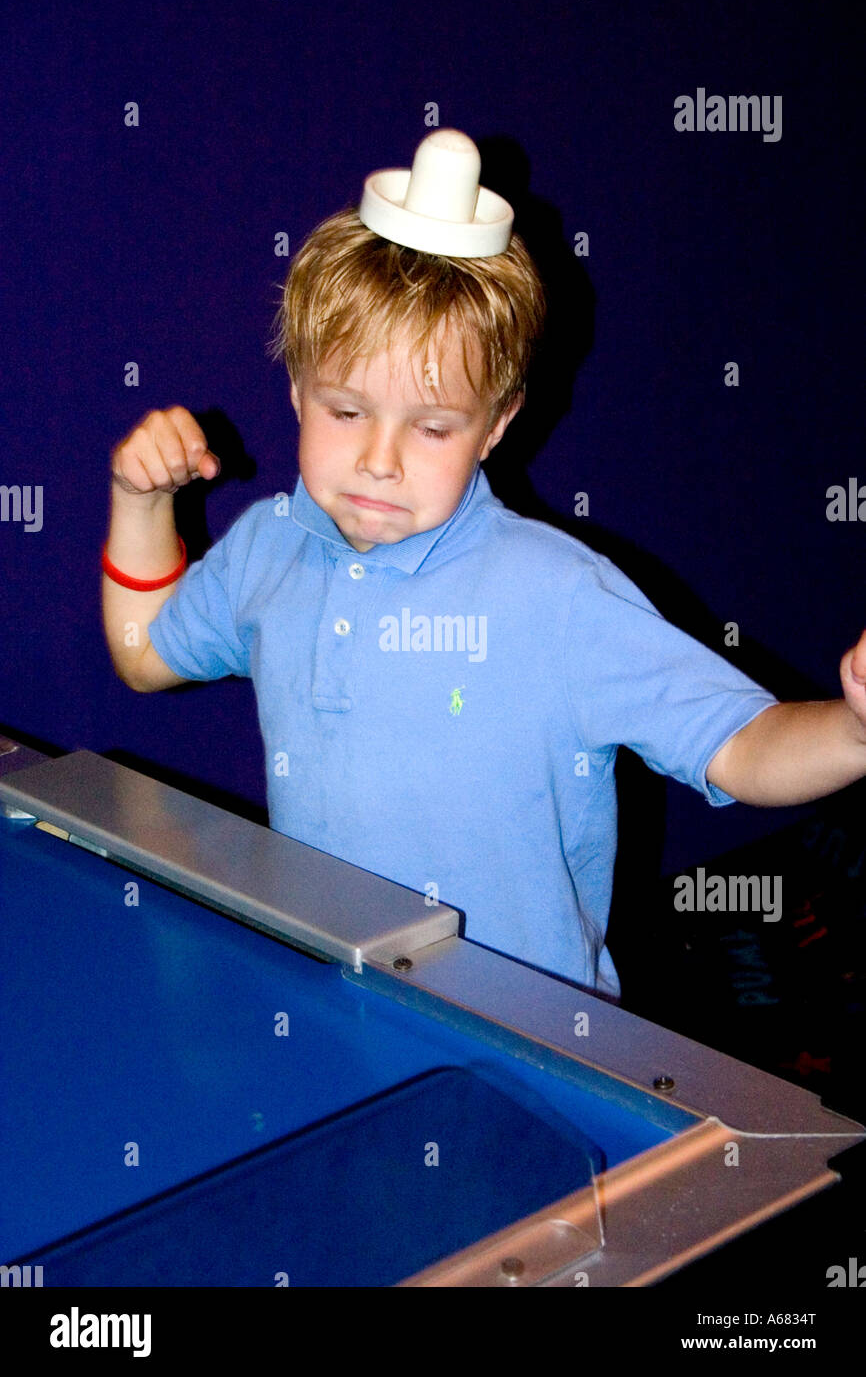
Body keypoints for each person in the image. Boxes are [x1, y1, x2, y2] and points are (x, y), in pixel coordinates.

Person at [102, 132, 866, 1000]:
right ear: (297, 390)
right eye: (347, 410)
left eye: (433, 427)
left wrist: (853, 731)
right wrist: (140, 499)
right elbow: (143, 654)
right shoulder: (266, 547)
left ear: (496, 424)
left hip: (524, 1041)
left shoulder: (560, 599)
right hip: (336, 999)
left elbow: (741, 750)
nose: (380, 460)